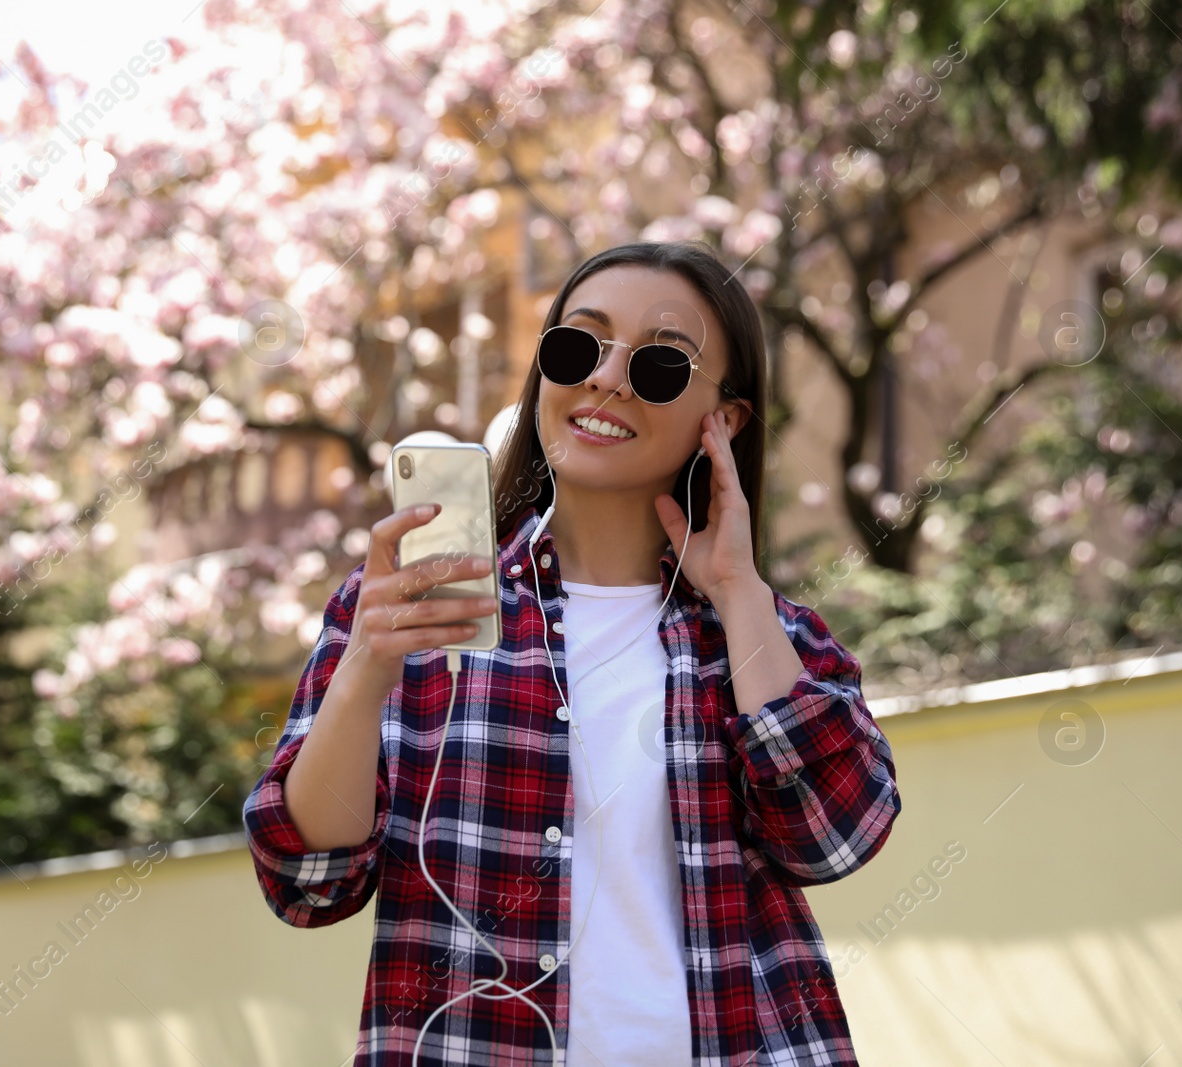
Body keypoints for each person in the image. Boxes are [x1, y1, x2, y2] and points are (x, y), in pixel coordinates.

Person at [242, 240, 901, 1065]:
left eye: (660, 364)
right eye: (577, 346)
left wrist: (737, 589)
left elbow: (833, 836)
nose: (606, 378)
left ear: (723, 420)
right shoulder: (409, 612)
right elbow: (309, 883)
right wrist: (366, 670)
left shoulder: (769, 635)